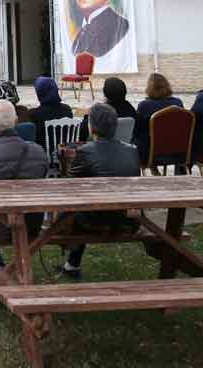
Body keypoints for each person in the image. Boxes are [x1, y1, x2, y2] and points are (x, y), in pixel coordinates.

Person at [58, 103, 141, 279]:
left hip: (97, 220)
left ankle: (70, 259)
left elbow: (68, 187)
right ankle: (72, 265)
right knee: (87, 204)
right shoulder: (132, 150)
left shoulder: (86, 151)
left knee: (72, 211)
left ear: (91, 126)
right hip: (127, 220)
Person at [0, 99, 50, 265]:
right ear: (16, 122)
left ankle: (0, 267)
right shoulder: (38, 152)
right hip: (31, 223)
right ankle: (7, 268)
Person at [133, 73, 184, 172]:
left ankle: (153, 167)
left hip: (152, 154)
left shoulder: (144, 106)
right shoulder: (177, 103)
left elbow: (137, 130)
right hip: (178, 152)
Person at [29, 76, 73, 147]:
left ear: (40, 92)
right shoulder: (67, 109)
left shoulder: (34, 113)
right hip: (65, 152)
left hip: (43, 153)